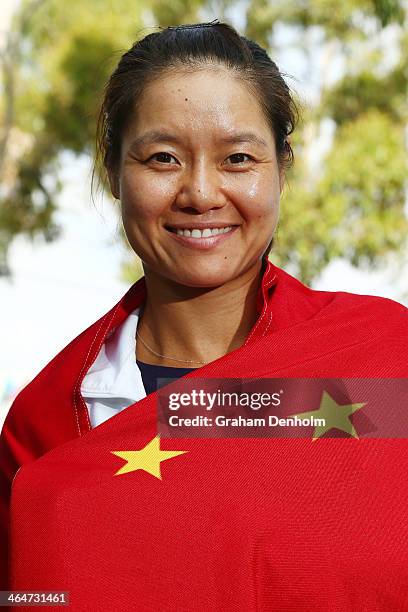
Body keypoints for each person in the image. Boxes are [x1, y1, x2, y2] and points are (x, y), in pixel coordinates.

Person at [1, 21, 407, 611]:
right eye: (162, 158)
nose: (200, 192)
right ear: (115, 172)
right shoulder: (46, 424)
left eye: (238, 158)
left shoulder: (386, 367)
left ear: (281, 169)